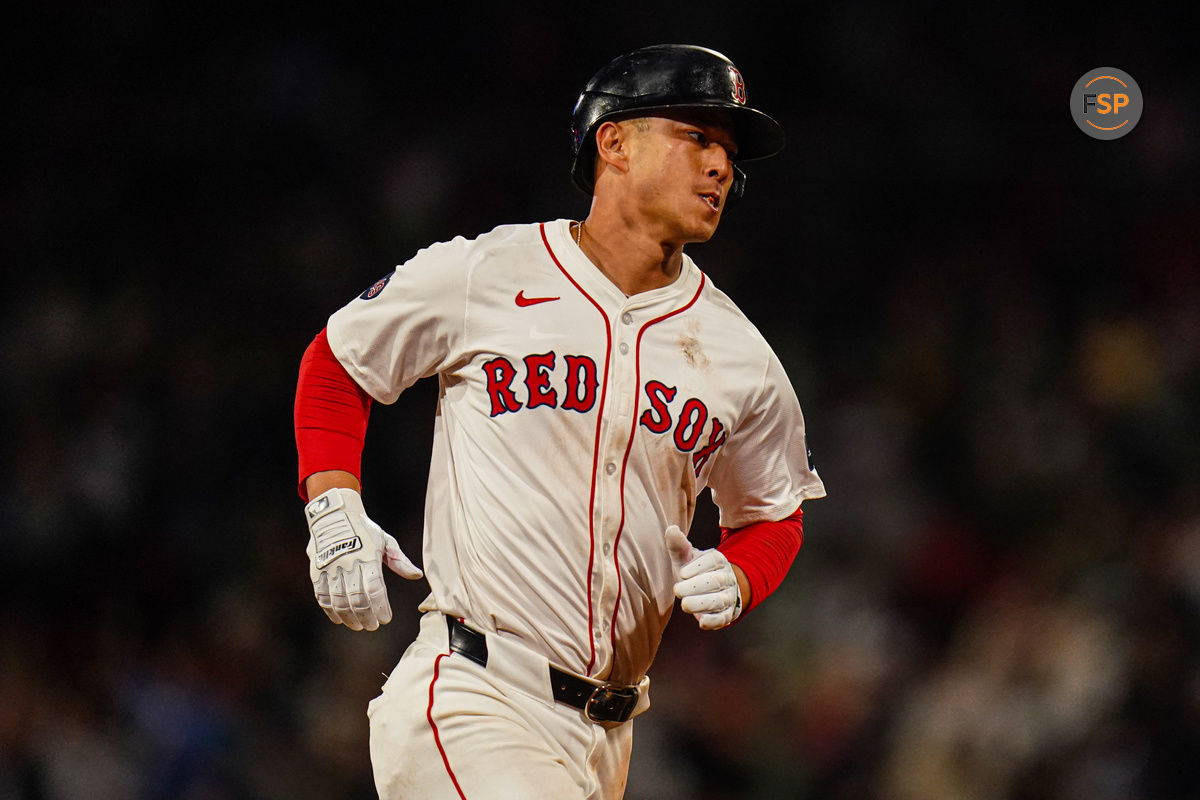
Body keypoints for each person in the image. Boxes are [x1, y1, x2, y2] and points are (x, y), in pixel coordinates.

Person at [293, 44, 826, 800]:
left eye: (729, 152)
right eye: (698, 137)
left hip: (609, 735)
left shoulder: (742, 357)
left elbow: (774, 513)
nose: (721, 168)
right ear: (614, 140)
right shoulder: (489, 272)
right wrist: (333, 503)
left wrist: (741, 575)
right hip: (475, 692)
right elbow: (340, 361)